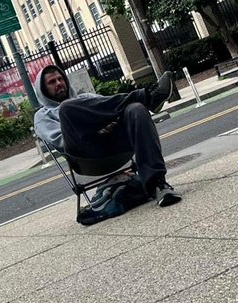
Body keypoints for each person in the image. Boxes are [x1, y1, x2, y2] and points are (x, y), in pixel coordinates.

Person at [33, 64, 182, 207]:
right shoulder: (42, 116)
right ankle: (147, 97)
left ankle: (158, 185)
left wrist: (111, 124)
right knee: (67, 107)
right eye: (52, 82)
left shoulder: (85, 97)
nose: (59, 83)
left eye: (60, 79)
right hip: (85, 156)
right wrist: (93, 130)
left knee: (135, 109)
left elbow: (111, 112)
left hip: (114, 146)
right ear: (43, 90)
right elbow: (61, 141)